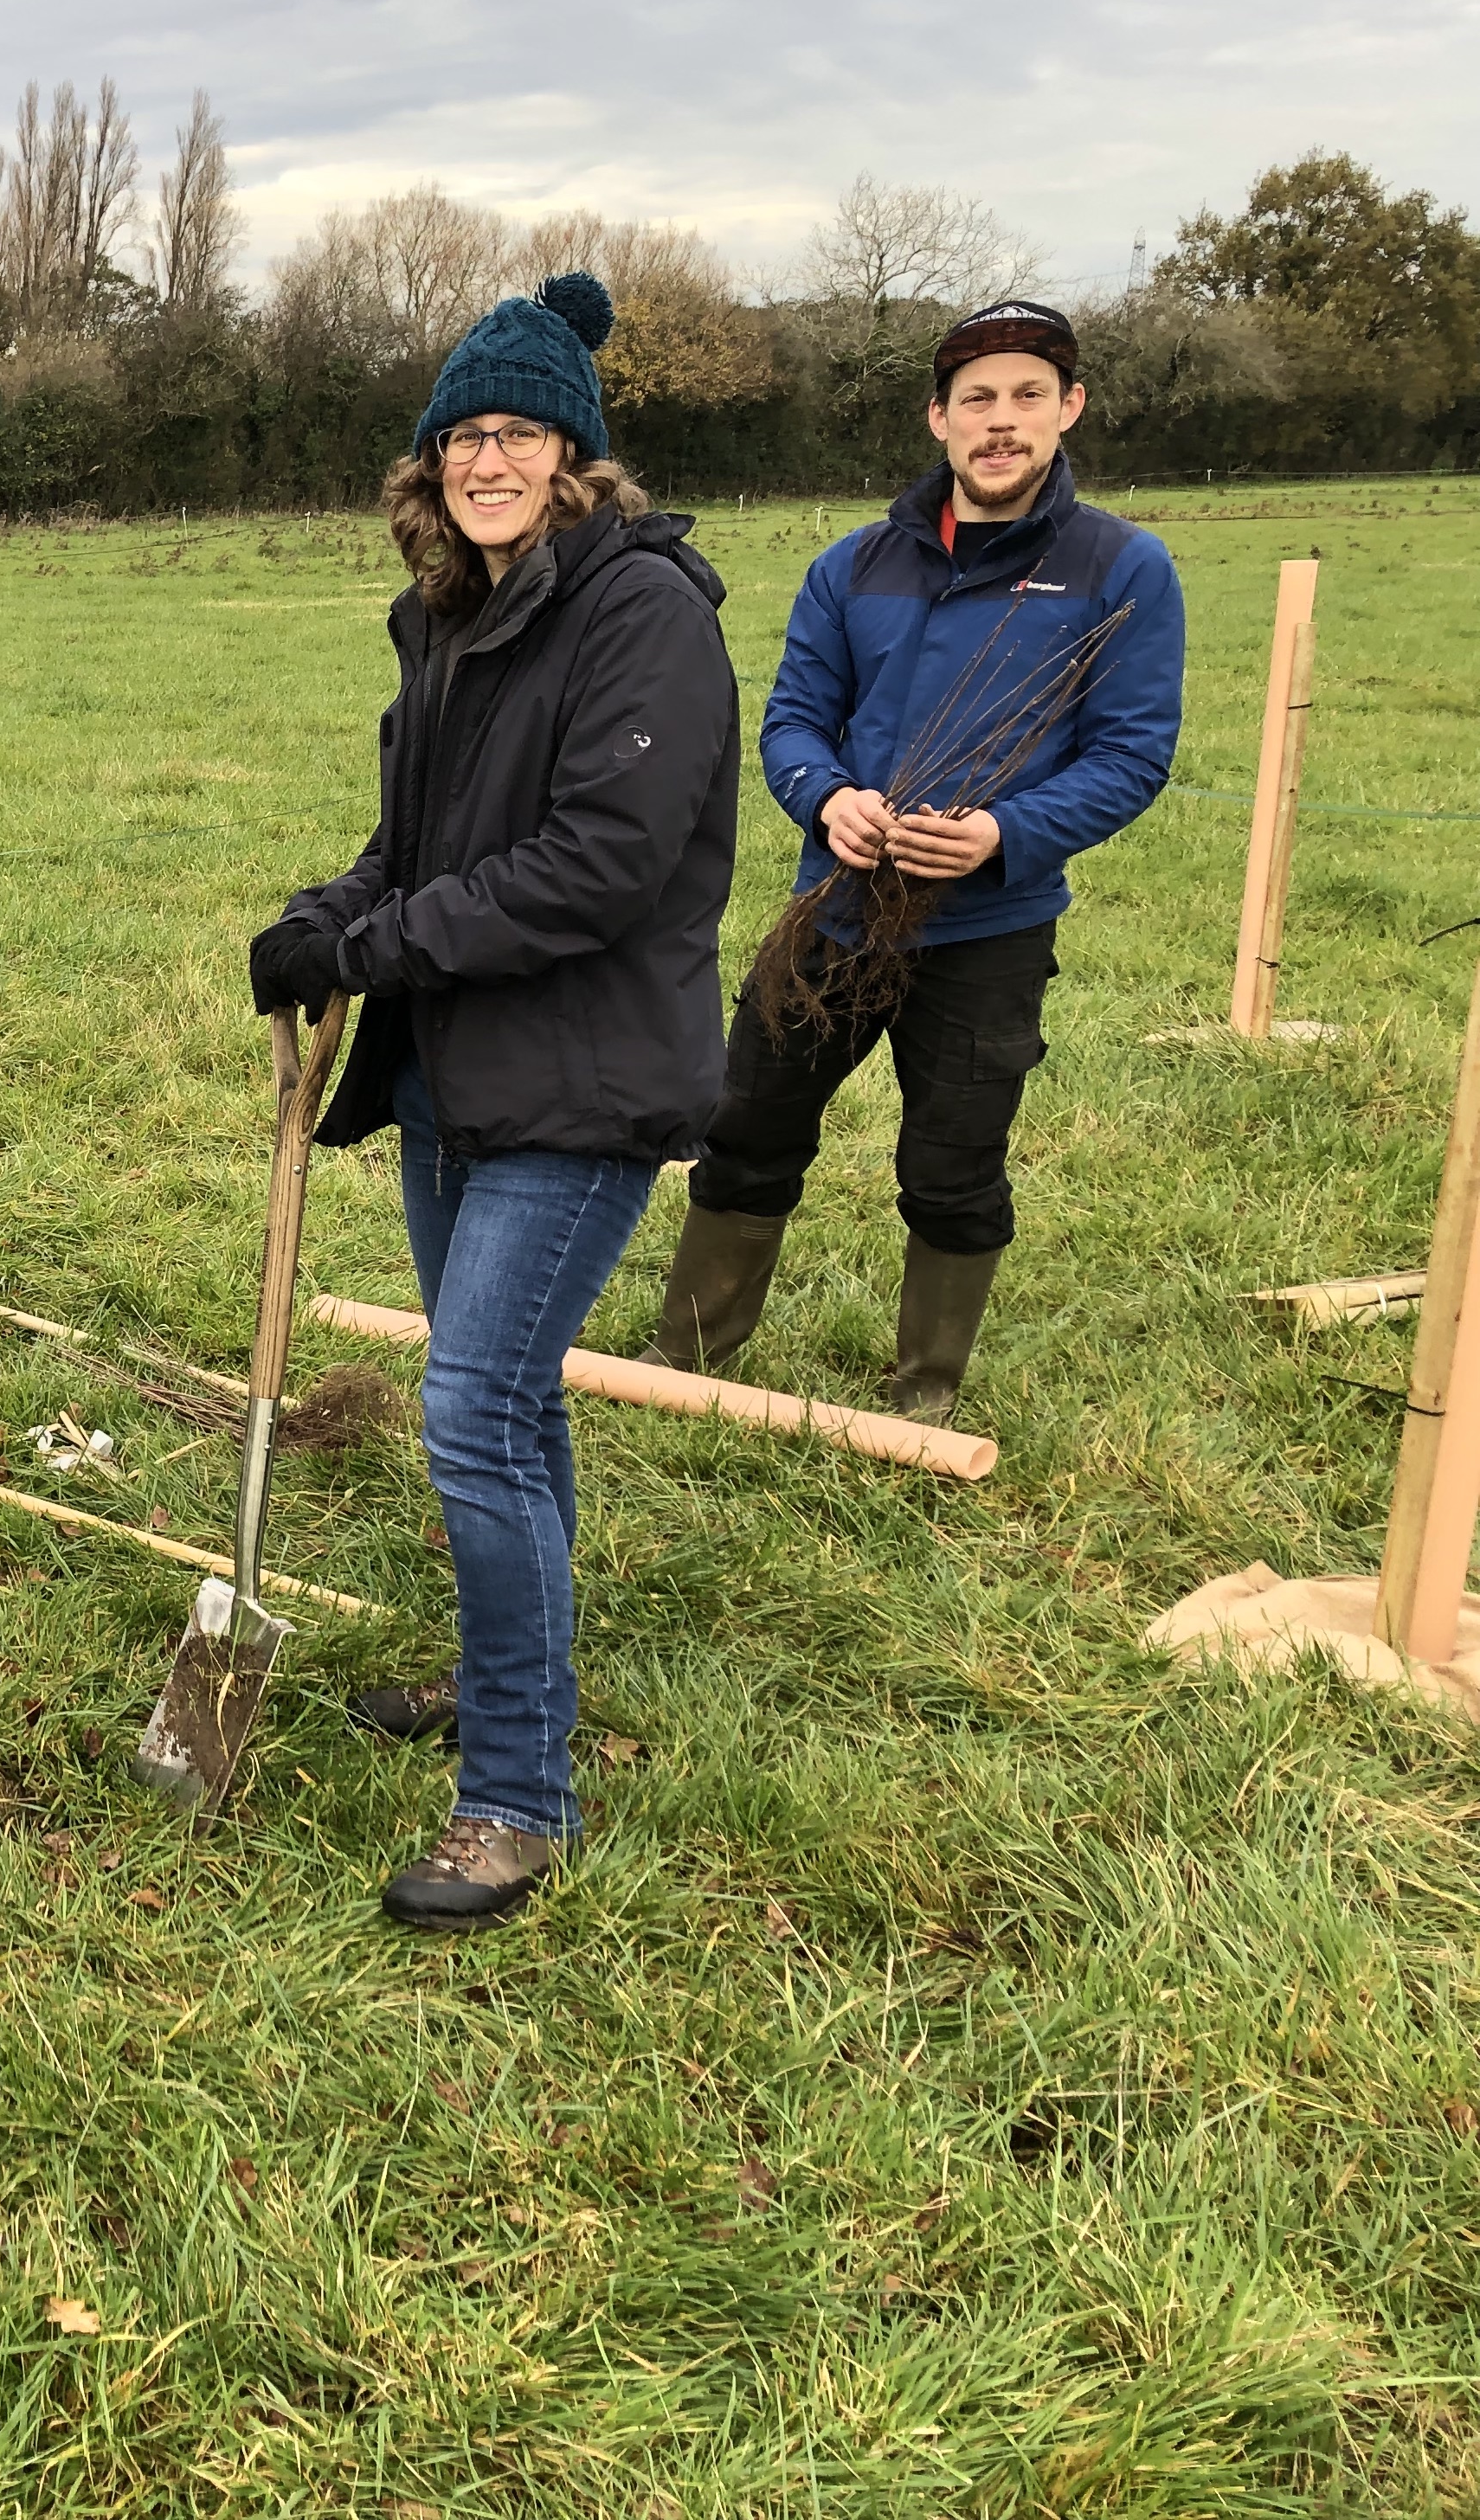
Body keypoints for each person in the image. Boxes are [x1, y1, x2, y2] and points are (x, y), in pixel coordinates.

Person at [248, 276, 737, 1928]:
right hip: (463, 1076)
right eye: (463, 435)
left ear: (578, 455)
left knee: (468, 1412)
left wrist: (383, 944)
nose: (488, 459)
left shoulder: (641, 613)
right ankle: (506, 1680)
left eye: (520, 431)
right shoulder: (456, 616)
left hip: (583, 1083)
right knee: (511, 1411)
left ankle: (520, 1794)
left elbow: (601, 865)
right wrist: (328, 915)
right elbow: (423, 839)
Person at [639, 300, 1185, 1423]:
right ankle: (690, 1360)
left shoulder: (1124, 570)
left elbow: (1134, 754)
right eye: (977, 399)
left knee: (952, 1170)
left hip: (988, 933)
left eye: (1028, 395)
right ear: (939, 418)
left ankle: (925, 1395)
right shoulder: (852, 568)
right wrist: (827, 797)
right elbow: (792, 720)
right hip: (831, 915)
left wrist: (1003, 836)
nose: (1002, 422)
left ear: (1069, 409)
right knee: (746, 1133)